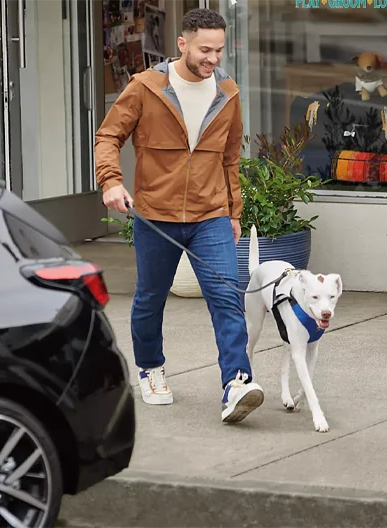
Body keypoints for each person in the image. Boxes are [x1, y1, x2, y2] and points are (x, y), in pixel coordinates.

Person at [94, 8, 264, 423]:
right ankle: (151, 369)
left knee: (227, 296)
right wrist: (111, 181)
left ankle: (237, 382)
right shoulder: (145, 87)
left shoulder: (227, 92)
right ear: (182, 44)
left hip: (211, 214)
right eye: (205, 50)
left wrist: (234, 212)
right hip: (157, 214)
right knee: (151, 299)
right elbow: (108, 136)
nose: (213, 58)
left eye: (219, 50)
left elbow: (230, 158)